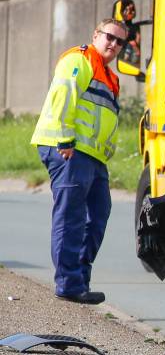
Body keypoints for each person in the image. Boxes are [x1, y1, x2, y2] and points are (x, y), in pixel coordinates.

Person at [30, 19, 128, 304]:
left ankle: (79, 278)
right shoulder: (80, 59)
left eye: (120, 41)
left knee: (97, 215)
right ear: (96, 35)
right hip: (68, 150)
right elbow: (65, 96)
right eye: (109, 37)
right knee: (71, 216)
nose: (114, 45)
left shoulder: (110, 76)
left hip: (92, 157)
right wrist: (64, 139)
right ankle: (68, 284)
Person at [112, 0, 142, 66]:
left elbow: (137, 42)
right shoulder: (120, 26)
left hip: (132, 55)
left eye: (132, 10)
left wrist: (135, 45)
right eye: (126, 10)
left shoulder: (135, 27)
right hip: (125, 55)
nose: (130, 12)